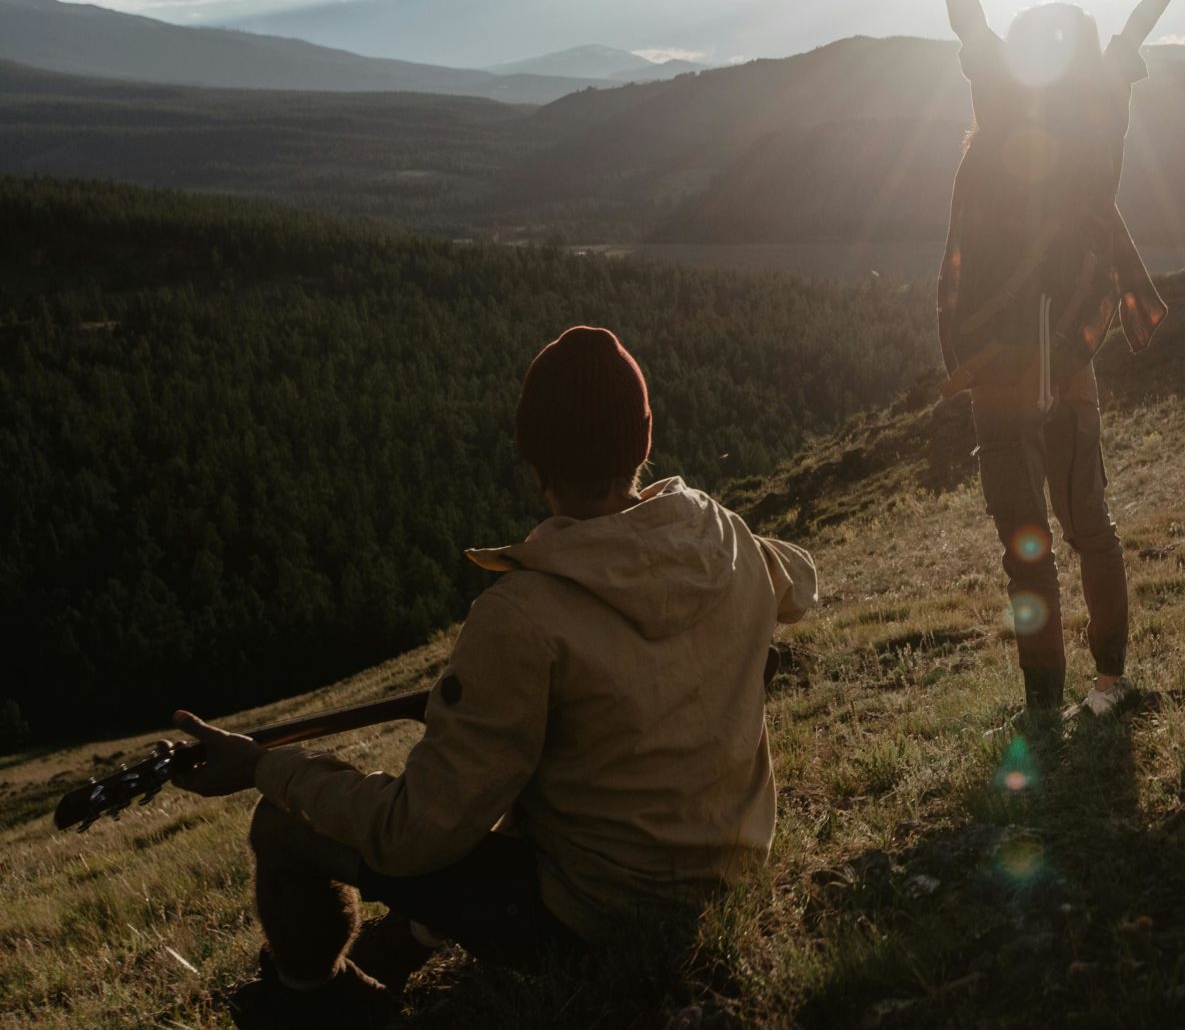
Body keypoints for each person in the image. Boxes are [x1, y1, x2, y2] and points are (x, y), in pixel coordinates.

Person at [171, 325, 818, 1028]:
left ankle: (316, 1004)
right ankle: (397, 952)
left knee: (284, 824)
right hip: (730, 879)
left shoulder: (521, 616)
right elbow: (801, 581)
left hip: (596, 920)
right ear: (645, 437)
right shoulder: (727, 541)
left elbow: (414, 833)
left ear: (532, 454)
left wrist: (267, 767)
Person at [888, 0, 1185, 725]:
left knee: (1025, 546)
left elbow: (965, 13)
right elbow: (1142, 18)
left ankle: (1043, 705)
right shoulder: (1101, 115)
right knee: (1089, 526)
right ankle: (1108, 682)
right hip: (1070, 357)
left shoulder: (998, 103)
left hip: (1000, 365)